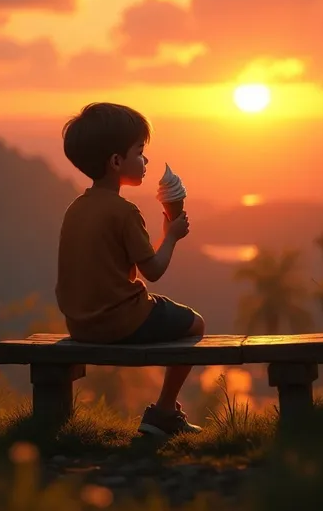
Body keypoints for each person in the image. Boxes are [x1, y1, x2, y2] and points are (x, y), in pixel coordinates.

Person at [56, 102, 205, 436]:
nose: (145, 160)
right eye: (139, 151)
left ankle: (166, 413)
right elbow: (152, 271)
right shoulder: (124, 211)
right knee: (196, 324)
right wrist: (171, 237)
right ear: (116, 161)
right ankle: (165, 411)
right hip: (121, 321)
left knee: (166, 309)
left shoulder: (75, 209)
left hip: (81, 323)